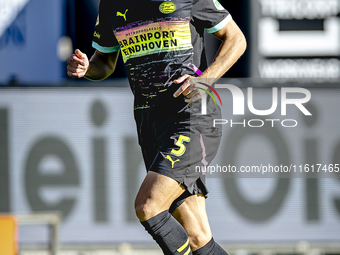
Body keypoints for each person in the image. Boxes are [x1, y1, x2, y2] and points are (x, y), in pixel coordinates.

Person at [67, 0, 246, 254]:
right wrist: (87, 68)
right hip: (150, 126)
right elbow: (104, 62)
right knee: (198, 238)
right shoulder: (110, 4)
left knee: (148, 206)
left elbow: (236, 38)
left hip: (190, 117)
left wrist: (205, 79)